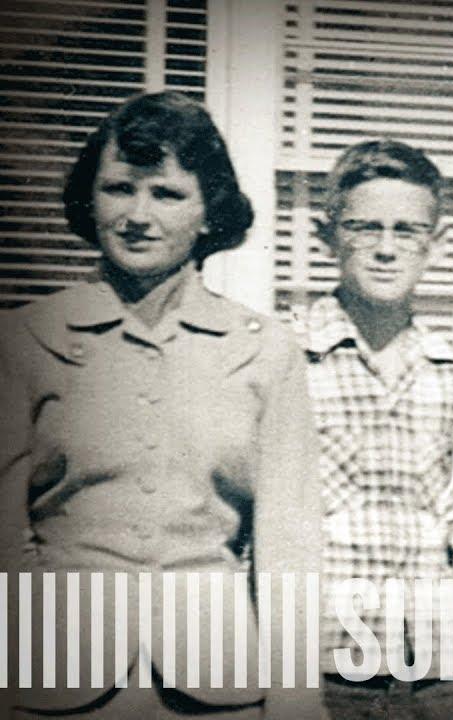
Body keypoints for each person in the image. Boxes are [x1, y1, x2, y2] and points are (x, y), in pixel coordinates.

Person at [0, 92, 323, 718]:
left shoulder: (265, 350)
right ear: (90, 201)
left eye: (167, 194)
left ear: (209, 211)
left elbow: (289, 544)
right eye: (119, 189)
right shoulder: (25, 339)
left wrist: (295, 702)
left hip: (218, 688)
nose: (138, 216)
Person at [302, 140, 453, 720]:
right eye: (363, 228)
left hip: (437, 671)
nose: (385, 249)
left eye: (406, 230)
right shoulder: (286, 360)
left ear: (437, 243)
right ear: (326, 237)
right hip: (322, 665)